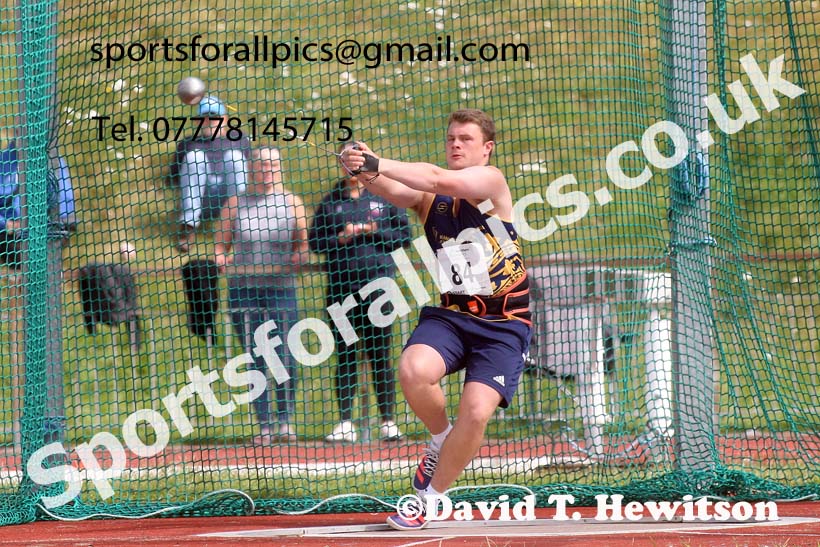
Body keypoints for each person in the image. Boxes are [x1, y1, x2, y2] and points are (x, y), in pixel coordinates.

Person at [340, 109, 532, 530]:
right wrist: (359, 165)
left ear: (487, 148)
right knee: (413, 370)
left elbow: (433, 177)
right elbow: (400, 188)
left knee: (478, 411)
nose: (456, 144)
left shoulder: (491, 182)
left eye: (465, 138)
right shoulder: (431, 200)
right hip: (452, 315)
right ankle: (442, 438)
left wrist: (378, 162)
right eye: (451, 138)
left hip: (503, 322)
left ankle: (429, 499)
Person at [309, 142, 412, 443]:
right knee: (345, 355)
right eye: (346, 160)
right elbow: (315, 243)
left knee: (380, 355)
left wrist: (371, 230)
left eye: (357, 159)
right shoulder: (331, 201)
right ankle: (345, 421)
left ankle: (388, 421)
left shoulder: (384, 194)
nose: (351, 166)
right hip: (341, 290)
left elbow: (403, 236)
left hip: (379, 290)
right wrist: (340, 237)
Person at [214, 147, 308, 444]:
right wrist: (221, 260)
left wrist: (300, 257)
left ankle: (285, 421)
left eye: (272, 165)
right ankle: (264, 425)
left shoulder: (292, 202)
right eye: (261, 165)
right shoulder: (235, 203)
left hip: (281, 288)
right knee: (255, 358)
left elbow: (302, 244)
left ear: (279, 168)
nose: (266, 170)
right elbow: (220, 246)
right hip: (244, 290)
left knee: (285, 356)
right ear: (251, 168)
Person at [169, 95, 250, 252]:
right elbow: (174, 177)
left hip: (229, 198)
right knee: (194, 157)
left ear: (224, 118)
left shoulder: (239, 139)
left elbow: (250, 173)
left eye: (213, 117)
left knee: (235, 158)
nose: (208, 121)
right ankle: (188, 227)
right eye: (203, 117)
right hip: (200, 199)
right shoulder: (188, 143)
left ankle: (242, 224)